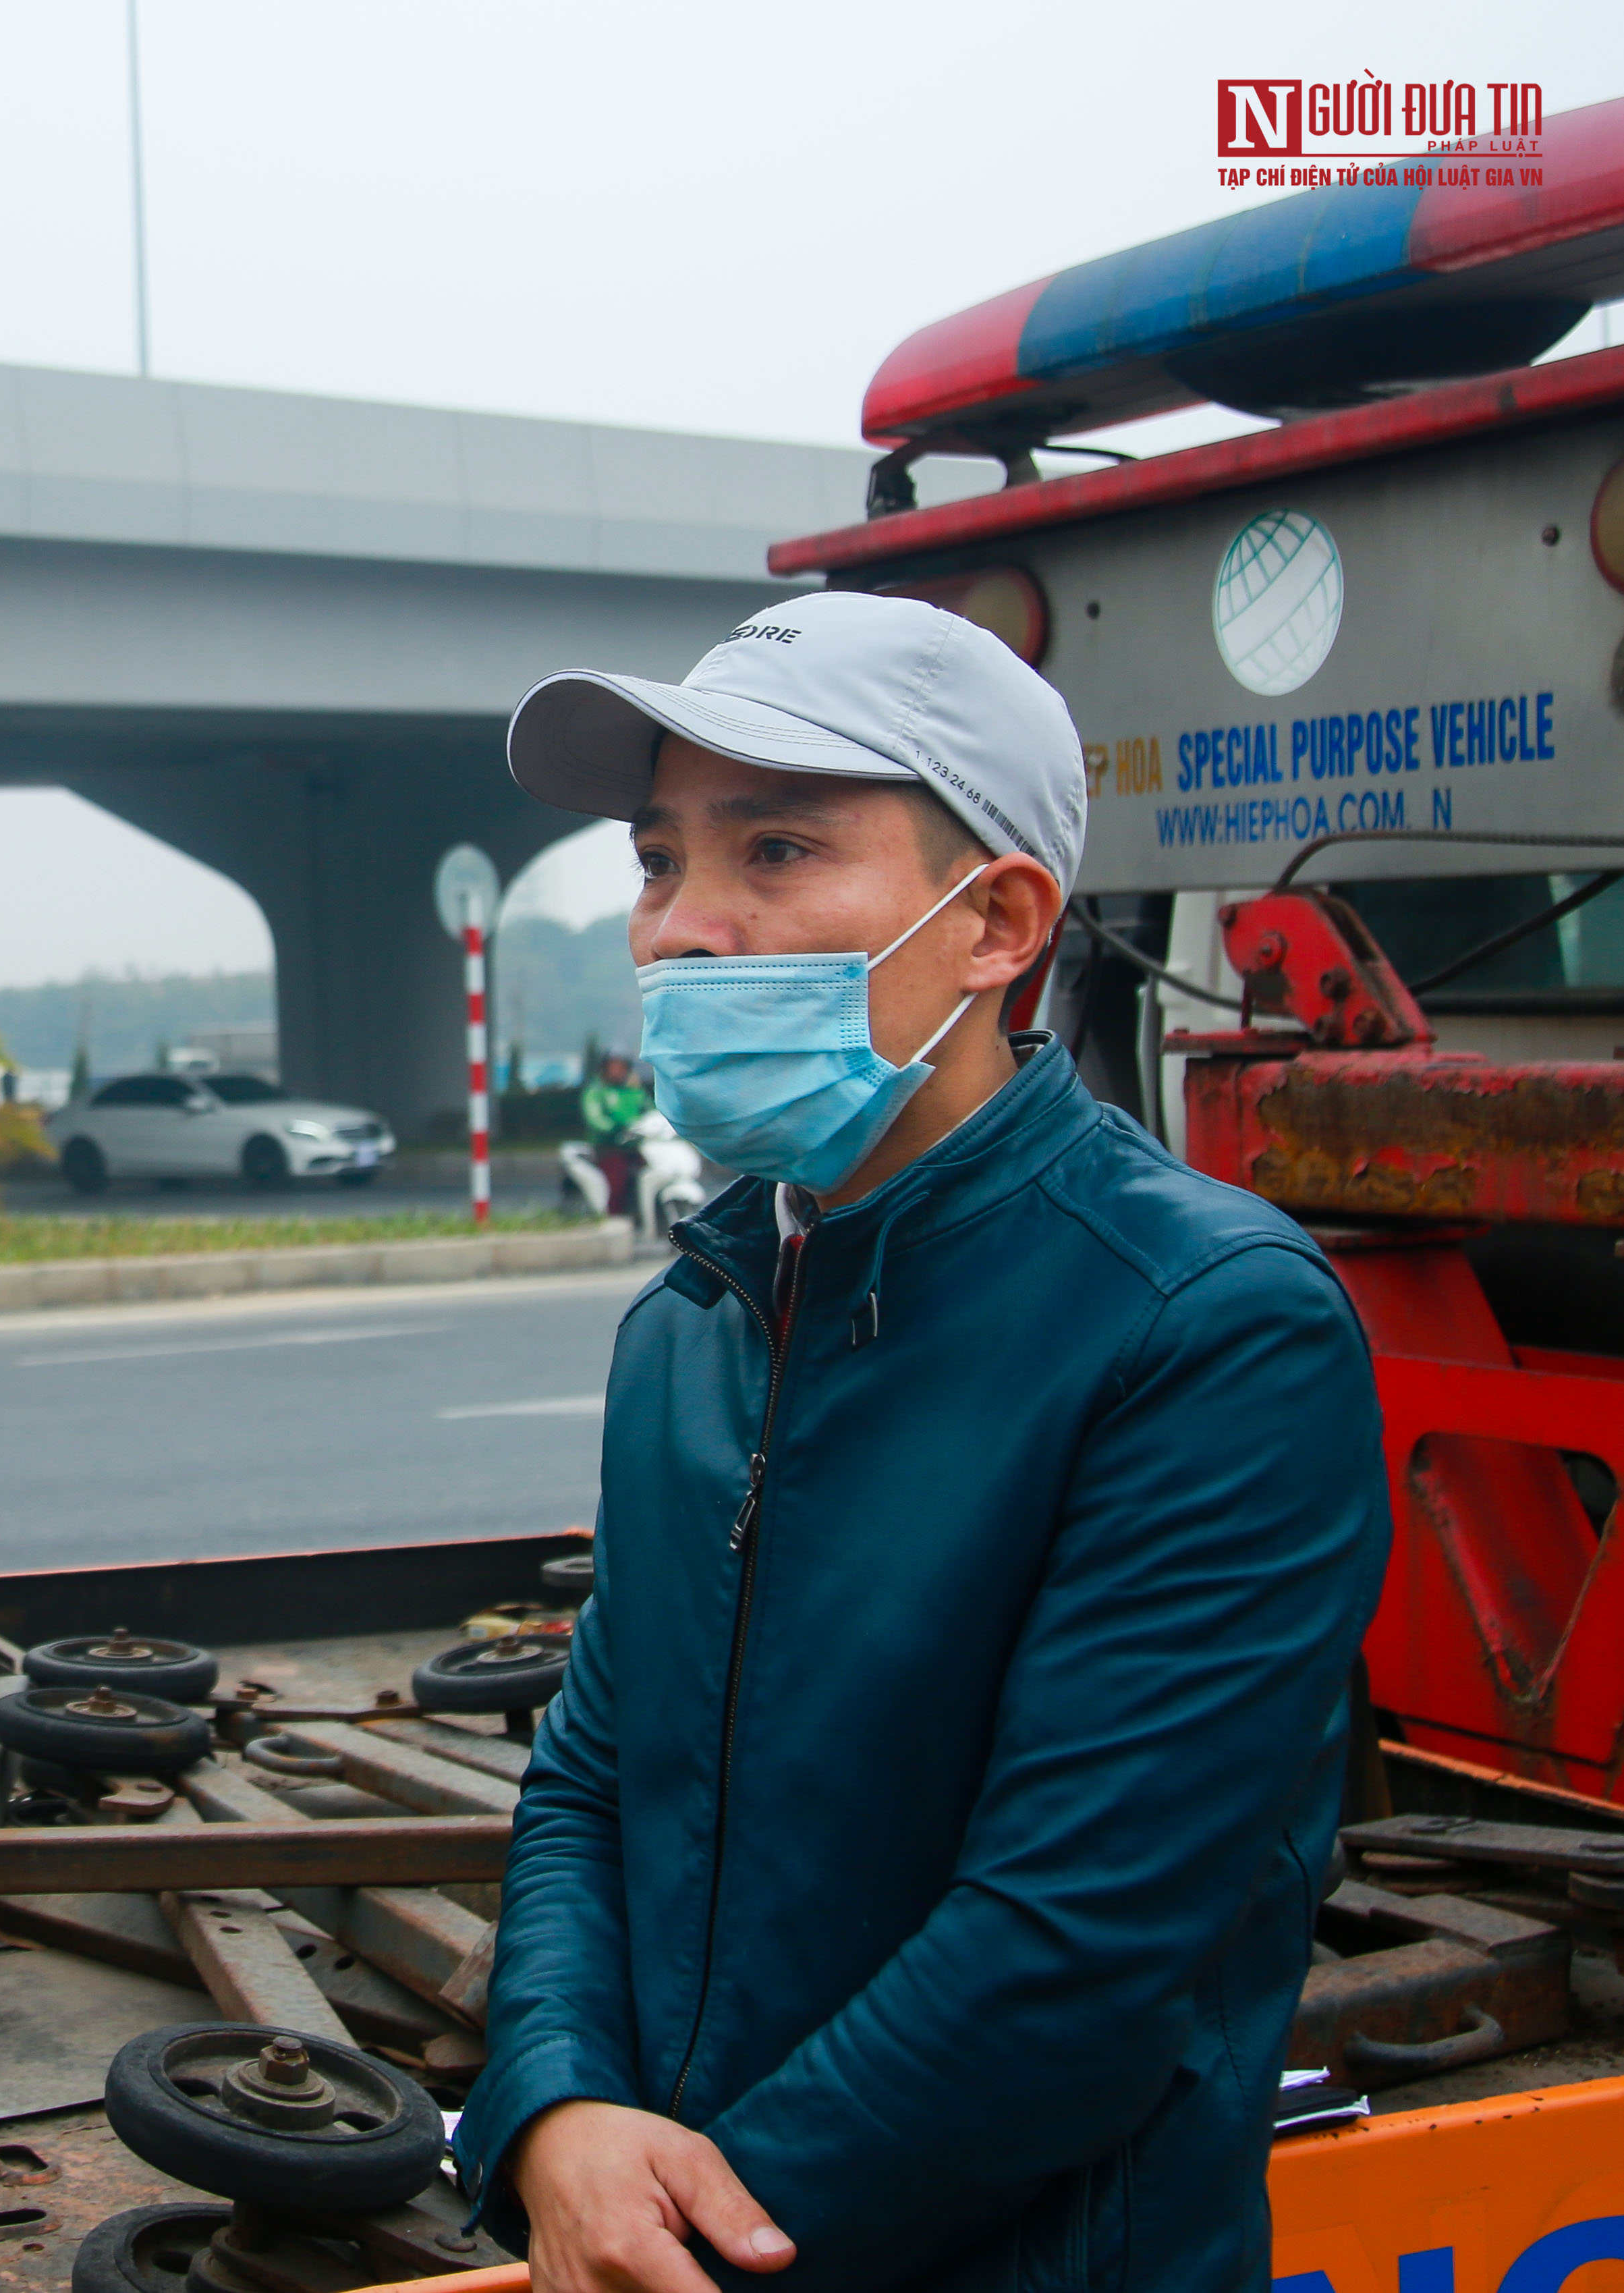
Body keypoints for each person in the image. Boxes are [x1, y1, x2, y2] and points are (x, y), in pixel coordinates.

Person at [457, 591, 1391, 2293]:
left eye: (782, 849)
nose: (684, 927)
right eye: (660, 860)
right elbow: (595, 1778)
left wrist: (688, 2239)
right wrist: (555, 2113)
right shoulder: (694, 1323)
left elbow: (1074, 1946)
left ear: (996, 922)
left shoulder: (1203, 1322)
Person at [578, 1051, 653, 1223]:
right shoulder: (596, 1091)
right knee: (616, 1182)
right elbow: (595, 1119)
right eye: (613, 1066)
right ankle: (614, 1217)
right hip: (611, 1147)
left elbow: (650, 1111)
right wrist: (617, 1128)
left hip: (638, 1146)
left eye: (621, 1066)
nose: (617, 1070)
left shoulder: (635, 1090)